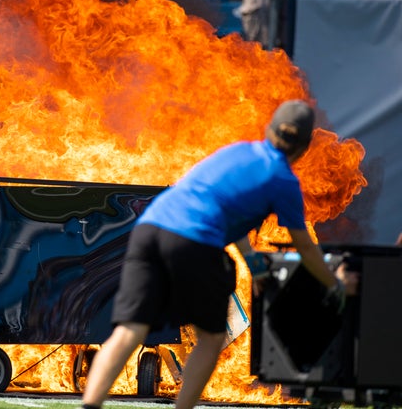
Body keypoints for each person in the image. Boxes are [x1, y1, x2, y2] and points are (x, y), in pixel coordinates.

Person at [80, 100, 356, 409]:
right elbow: (304, 246)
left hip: (149, 229)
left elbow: (225, 210)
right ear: (304, 147)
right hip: (194, 243)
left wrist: (254, 264)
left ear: (269, 130)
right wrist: (334, 284)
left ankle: (90, 406)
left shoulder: (236, 152)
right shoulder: (283, 180)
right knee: (211, 338)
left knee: (129, 330)